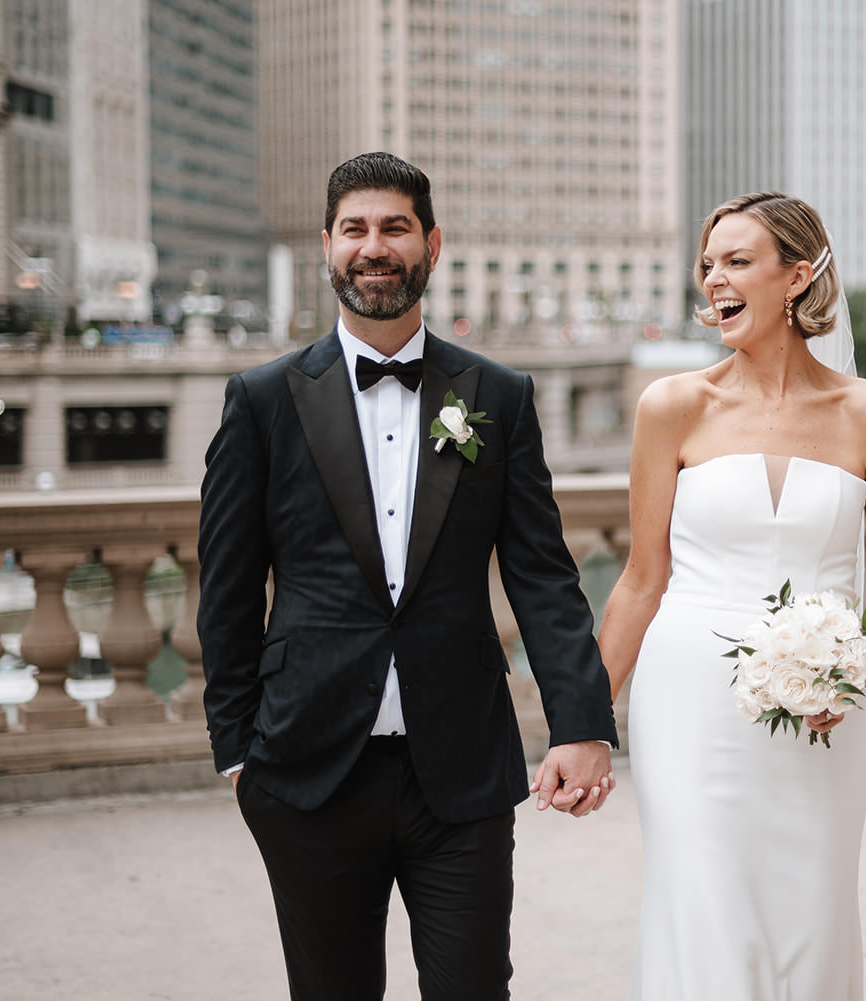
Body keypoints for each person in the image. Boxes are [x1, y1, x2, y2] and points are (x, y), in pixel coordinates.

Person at [197, 152, 618, 1001]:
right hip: (306, 766)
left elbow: (542, 574)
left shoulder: (498, 393)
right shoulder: (262, 399)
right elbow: (228, 589)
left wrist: (582, 724)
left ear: (431, 243)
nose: (373, 246)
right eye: (355, 229)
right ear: (327, 246)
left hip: (459, 771)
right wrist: (238, 751)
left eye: (393, 227)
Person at [599, 192, 866, 1000]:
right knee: (702, 902)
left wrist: (850, 673)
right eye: (707, 265)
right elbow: (641, 580)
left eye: (737, 261)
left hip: (826, 714)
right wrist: (581, 719)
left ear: (797, 277)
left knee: (811, 914)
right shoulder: (672, 407)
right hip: (687, 705)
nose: (714, 280)